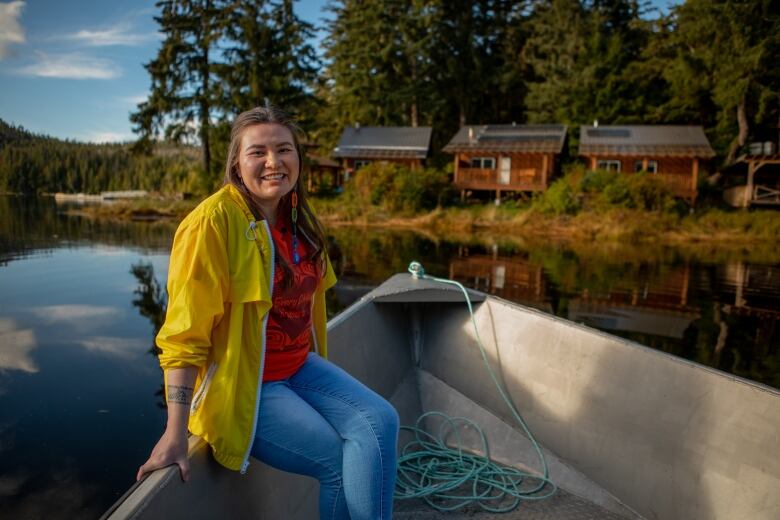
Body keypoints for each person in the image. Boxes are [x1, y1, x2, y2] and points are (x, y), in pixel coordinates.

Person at [136, 106, 400, 519]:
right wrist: (175, 432)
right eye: (258, 152)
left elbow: (310, 302)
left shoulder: (301, 218)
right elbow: (182, 337)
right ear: (237, 165)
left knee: (382, 421)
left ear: (298, 158)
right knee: (336, 459)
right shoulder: (211, 223)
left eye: (284, 149)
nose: (274, 162)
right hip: (246, 386)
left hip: (297, 367)